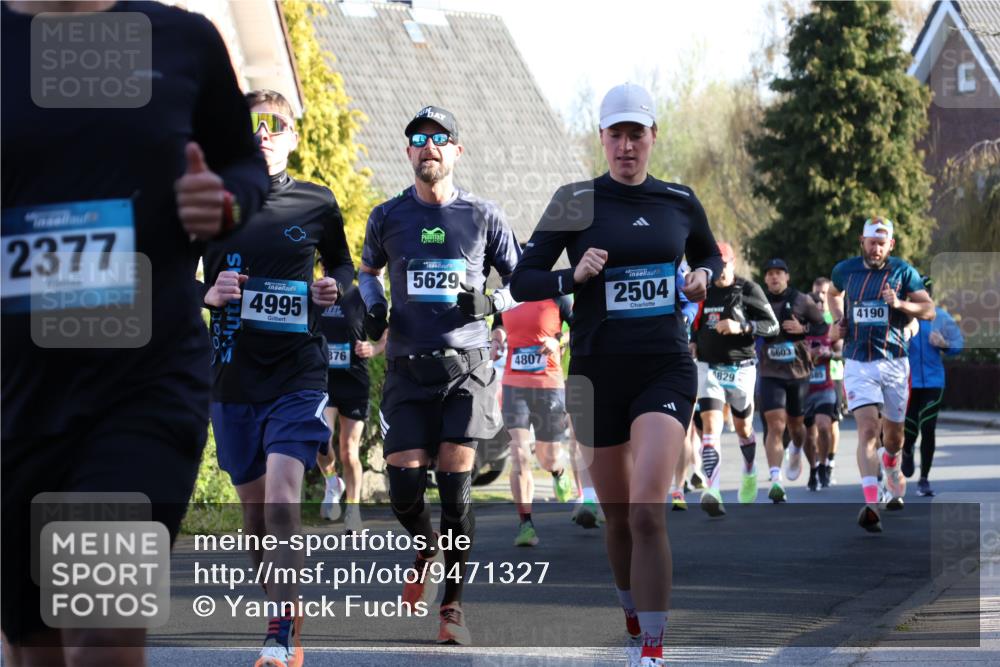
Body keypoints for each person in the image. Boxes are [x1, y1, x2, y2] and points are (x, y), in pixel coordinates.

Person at [1, 2, 268, 664]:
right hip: (16, 395)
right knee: (35, 641)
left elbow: (244, 164)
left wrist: (225, 201)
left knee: (101, 618)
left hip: (145, 382)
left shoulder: (182, 40)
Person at [510, 82, 722, 667]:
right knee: (620, 514)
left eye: (637, 134)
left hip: (665, 367)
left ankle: (651, 649)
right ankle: (631, 606)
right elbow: (522, 280)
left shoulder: (680, 200)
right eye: (616, 134)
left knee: (650, 508)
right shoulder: (574, 201)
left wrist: (705, 274)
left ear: (654, 136)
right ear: (601, 138)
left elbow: (710, 255)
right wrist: (570, 275)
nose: (626, 146)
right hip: (597, 373)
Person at [201, 89, 354, 667]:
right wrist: (205, 293)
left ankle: (281, 632)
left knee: (285, 504)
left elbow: (340, 262)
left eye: (275, 124)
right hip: (234, 377)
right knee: (253, 514)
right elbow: (163, 271)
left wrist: (334, 285)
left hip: (298, 373)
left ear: (293, 136)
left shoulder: (316, 201)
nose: (263, 132)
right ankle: (282, 608)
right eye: (253, 125)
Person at [358, 106, 520, 645]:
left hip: (466, 373)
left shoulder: (483, 215)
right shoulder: (386, 217)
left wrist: (491, 300)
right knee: (404, 490)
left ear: (456, 150)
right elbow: (366, 273)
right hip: (407, 370)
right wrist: (374, 304)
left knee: (456, 494)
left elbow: (526, 279)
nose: (428, 146)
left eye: (439, 138)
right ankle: (425, 545)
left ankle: (451, 608)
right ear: (408, 152)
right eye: (418, 139)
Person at [829, 217, 935, 533]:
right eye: (871, 242)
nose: (876, 249)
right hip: (858, 361)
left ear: (891, 245)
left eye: (882, 243)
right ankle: (871, 503)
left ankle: (891, 464)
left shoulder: (903, 272)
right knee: (866, 430)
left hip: (894, 362)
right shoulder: (845, 270)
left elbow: (928, 309)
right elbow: (833, 294)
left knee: (894, 437)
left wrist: (900, 302)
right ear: (862, 241)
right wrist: (838, 320)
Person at [691, 242, 778, 514]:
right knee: (710, 427)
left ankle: (750, 469)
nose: (720, 271)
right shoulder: (704, 289)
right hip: (709, 367)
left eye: (724, 264)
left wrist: (742, 326)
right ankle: (713, 489)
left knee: (744, 430)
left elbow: (772, 326)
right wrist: (694, 341)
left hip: (741, 368)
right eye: (716, 265)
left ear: (733, 262)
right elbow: (695, 322)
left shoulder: (748, 289)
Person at [490, 291, 575, 546]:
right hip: (514, 384)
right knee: (519, 454)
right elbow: (498, 325)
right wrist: (497, 341)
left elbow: (580, 327)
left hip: (548, 383)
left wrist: (558, 341)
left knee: (547, 456)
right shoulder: (506, 295)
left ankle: (558, 471)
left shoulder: (558, 296)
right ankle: (525, 523)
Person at [757, 258, 828, 502]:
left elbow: (822, 326)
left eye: (779, 273)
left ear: (787, 277)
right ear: (765, 278)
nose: (774, 277)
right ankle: (776, 480)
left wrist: (803, 329)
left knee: (797, 427)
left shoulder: (801, 300)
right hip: (769, 372)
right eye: (770, 274)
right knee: (775, 424)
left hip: (798, 373)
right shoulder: (759, 300)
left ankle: (796, 448)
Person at [317, 285, 386, 531]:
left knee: (349, 451)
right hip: (323, 381)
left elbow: (387, 332)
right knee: (321, 438)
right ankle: (332, 482)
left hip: (354, 382)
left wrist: (374, 348)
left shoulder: (360, 298)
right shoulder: (315, 293)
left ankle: (353, 510)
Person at [903, 275, 963, 497]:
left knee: (928, 427)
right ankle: (907, 450)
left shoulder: (942, 318)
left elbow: (958, 345)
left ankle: (924, 479)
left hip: (933, 381)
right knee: (908, 429)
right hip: (908, 381)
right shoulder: (901, 317)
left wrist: (944, 345)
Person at [803, 279, 843, 491]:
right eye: (813, 305)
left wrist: (831, 354)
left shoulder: (830, 327)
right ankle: (813, 468)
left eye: (820, 304)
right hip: (804, 389)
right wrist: (805, 355)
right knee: (809, 435)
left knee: (826, 427)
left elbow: (841, 351)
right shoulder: (799, 327)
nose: (817, 308)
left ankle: (827, 463)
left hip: (828, 384)